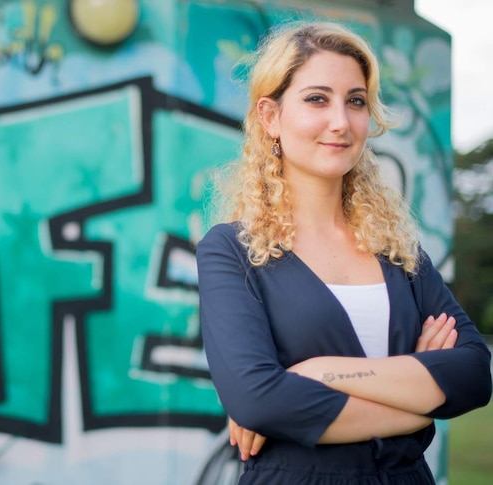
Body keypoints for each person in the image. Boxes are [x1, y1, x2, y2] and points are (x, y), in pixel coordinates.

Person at [196, 21, 492, 484]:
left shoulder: (396, 250)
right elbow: (258, 400)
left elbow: (474, 373)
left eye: (355, 101)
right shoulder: (232, 251)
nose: (341, 121)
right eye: (317, 99)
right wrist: (418, 406)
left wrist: (321, 372)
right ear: (270, 116)